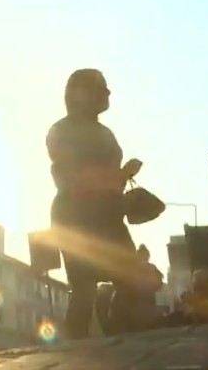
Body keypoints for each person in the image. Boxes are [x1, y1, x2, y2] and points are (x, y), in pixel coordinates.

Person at [47, 69, 141, 339]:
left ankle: (115, 334)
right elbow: (71, 178)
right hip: (76, 217)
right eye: (101, 89)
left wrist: (122, 178)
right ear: (80, 94)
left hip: (108, 215)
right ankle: (76, 348)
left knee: (130, 278)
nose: (107, 94)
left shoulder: (104, 132)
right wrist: (120, 175)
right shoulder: (62, 130)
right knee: (84, 289)